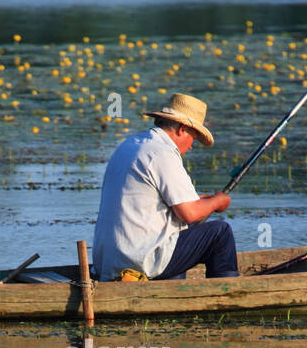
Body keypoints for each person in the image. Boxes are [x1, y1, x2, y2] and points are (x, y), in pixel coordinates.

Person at [91, 93, 238, 282]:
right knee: (220, 233)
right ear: (182, 129)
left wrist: (202, 201)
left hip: (108, 262)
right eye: (193, 137)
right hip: (138, 260)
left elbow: (156, 200)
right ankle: (226, 296)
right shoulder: (162, 153)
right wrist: (218, 201)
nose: (191, 146)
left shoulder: (131, 145)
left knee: (181, 230)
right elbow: (189, 213)